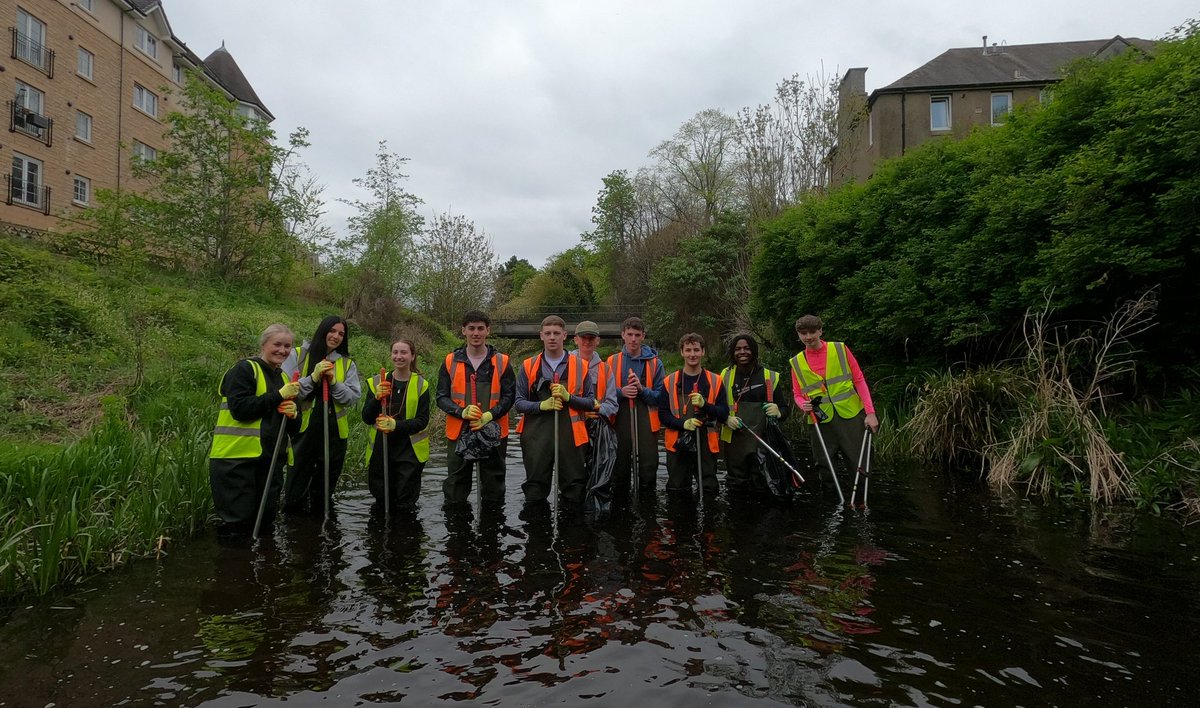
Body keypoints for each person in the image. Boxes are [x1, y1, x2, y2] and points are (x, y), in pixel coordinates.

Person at [208, 323, 301, 538]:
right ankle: (235, 568)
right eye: (277, 344)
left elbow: (293, 429)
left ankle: (263, 568)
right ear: (264, 345)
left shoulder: (285, 379)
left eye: (287, 346)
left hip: (269, 461)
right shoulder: (244, 369)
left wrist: (294, 413)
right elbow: (240, 409)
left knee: (266, 520)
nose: (283, 350)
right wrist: (278, 396)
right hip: (236, 460)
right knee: (239, 525)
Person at [514, 316, 598, 505]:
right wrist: (541, 405)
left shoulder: (581, 366)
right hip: (536, 436)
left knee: (574, 489)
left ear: (565, 336)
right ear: (541, 336)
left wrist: (569, 398)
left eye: (557, 333)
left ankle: (572, 532)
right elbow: (518, 403)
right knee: (535, 488)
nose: (552, 337)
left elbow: (591, 403)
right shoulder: (528, 366)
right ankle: (537, 532)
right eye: (548, 333)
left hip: (572, 438)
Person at [283, 315, 362, 515]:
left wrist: (334, 382)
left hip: (334, 432)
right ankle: (294, 524)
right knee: (296, 486)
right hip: (303, 429)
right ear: (323, 330)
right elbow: (287, 391)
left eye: (341, 334)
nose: (336, 336)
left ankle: (320, 527)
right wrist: (313, 377)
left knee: (325, 488)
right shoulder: (298, 355)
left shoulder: (346, 364)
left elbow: (351, 398)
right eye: (332, 331)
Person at [436, 310, 516, 505]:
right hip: (459, 431)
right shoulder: (450, 361)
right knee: (456, 484)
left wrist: (490, 415)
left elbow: (509, 397)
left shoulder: (502, 361)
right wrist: (460, 411)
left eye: (480, 328)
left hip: (493, 431)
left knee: (494, 485)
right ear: (463, 330)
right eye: (471, 328)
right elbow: (441, 397)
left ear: (488, 330)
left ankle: (491, 528)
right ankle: (458, 531)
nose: (476, 333)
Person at [789, 314, 879, 482]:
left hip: (851, 415)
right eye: (803, 333)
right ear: (798, 335)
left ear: (820, 331)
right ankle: (832, 503)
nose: (808, 337)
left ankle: (860, 503)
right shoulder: (796, 362)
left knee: (859, 461)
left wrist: (870, 413)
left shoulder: (840, 349)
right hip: (819, 419)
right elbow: (797, 394)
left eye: (812, 332)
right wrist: (803, 405)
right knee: (825, 466)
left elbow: (859, 380)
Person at [361, 338, 431, 514]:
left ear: (412, 356)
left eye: (404, 352)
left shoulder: (422, 384)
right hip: (381, 448)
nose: (399, 356)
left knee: (405, 502)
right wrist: (376, 398)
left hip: (409, 450)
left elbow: (422, 421)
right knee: (382, 498)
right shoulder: (375, 382)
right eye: (395, 352)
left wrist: (396, 425)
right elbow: (367, 418)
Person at [657, 332, 729, 496]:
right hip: (678, 441)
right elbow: (663, 415)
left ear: (703, 351)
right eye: (688, 350)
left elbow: (724, 414)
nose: (692, 354)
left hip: (706, 442)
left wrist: (705, 405)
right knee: (677, 489)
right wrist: (683, 424)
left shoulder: (715, 380)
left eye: (696, 350)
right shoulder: (670, 381)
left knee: (709, 489)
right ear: (682, 352)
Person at [719, 334, 792, 493]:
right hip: (734, 440)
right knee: (736, 487)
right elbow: (717, 408)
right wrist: (725, 418)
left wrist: (778, 412)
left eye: (747, 348)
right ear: (732, 352)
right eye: (738, 349)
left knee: (762, 485)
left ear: (754, 351)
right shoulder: (725, 375)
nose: (742, 352)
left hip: (764, 441)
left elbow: (785, 410)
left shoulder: (770, 376)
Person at [606, 316, 665, 491]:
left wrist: (642, 389)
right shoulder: (611, 362)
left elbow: (661, 398)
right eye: (629, 334)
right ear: (622, 335)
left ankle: (648, 507)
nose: (633, 339)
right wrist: (621, 392)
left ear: (643, 336)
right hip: (619, 421)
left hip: (647, 422)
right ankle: (621, 509)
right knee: (620, 468)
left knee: (648, 469)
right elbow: (603, 395)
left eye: (637, 335)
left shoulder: (656, 363)